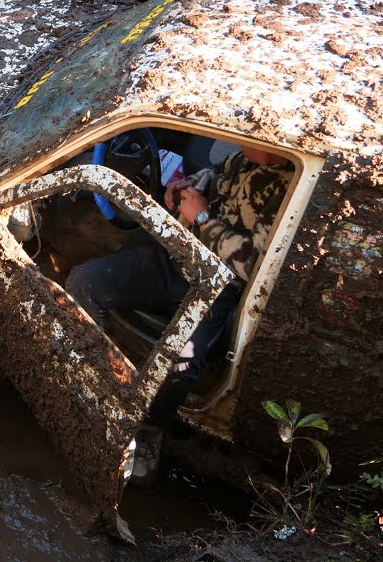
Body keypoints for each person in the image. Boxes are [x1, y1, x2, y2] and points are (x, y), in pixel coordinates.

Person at [64, 143, 293, 481]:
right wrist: (183, 191)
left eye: (252, 139)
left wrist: (202, 218)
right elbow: (213, 179)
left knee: (179, 363)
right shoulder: (243, 159)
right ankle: (92, 388)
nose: (243, 142)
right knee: (84, 280)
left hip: (219, 286)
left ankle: (148, 431)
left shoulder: (291, 193)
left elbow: (255, 268)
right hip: (177, 259)